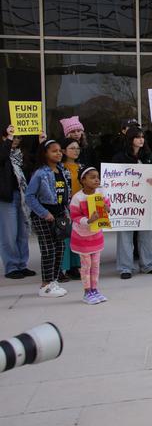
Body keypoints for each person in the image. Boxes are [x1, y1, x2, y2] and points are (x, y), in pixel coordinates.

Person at [112, 127, 152, 278]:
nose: (141, 140)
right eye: (137, 137)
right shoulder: (119, 157)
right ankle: (125, 268)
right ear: (130, 139)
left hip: (144, 201)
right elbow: (113, 178)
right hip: (125, 203)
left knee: (147, 234)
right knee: (125, 235)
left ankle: (149, 265)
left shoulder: (149, 156)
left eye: (142, 137)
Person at [24, 139, 71, 298]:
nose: (58, 153)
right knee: (48, 249)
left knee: (60, 248)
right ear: (45, 154)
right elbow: (29, 196)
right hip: (43, 216)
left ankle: (53, 281)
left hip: (59, 215)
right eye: (54, 151)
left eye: (59, 150)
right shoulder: (40, 173)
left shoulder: (62, 171)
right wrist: (44, 213)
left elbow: (65, 194)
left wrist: (66, 211)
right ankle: (45, 284)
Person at [1, 126, 36, 280]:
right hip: (6, 197)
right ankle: (11, 266)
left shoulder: (22, 155)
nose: (15, 140)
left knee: (23, 232)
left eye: (18, 137)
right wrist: (8, 141)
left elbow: (36, 162)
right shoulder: (3, 152)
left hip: (22, 196)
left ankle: (22, 264)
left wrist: (41, 142)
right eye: (12, 137)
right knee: (9, 233)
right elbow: (2, 156)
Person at [69, 166, 108, 304]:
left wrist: (107, 208)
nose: (96, 180)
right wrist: (88, 220)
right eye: (92, 177)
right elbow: (74, 216)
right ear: (83, 180)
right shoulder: (77, 198)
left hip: (96, 235)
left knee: (96, 264)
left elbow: (107, 204)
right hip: (82, 237)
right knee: (86, 265)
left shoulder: (101, 192)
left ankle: (95, 290)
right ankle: (87, 292)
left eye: (97, 177)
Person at [58, 136, 84, 281]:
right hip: (65, 207)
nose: (76, 151)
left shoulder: (82, 167)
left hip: (80, 207)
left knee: (78, 237)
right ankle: (62, 269)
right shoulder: (59, 168)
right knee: (65, 239)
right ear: (64, 151)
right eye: (72, 148)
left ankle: (75, 266)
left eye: (77, 148)